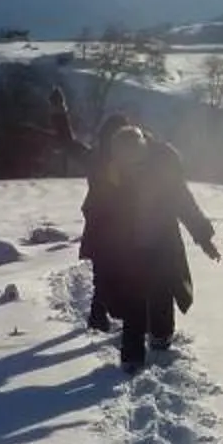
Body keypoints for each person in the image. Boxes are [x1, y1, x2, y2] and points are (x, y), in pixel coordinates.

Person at [112, 129, 218, 373]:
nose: (131, 163)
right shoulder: (117, 170)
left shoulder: (164, 165)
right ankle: (132, 357)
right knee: (133, 299)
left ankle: (160, 337)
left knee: (162, 289)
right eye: (125, 159)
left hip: (162, 241)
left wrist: (204, 239)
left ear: (142, 148)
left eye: (134, 157)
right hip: (130, 245)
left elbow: (184, 202)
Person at [77, 116, 141, 334]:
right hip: (116, 229)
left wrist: (59, 113)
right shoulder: (124, 161)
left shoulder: (95, 158)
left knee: (103, 274)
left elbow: (67, 143)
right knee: (118, 274)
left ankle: (100, 316)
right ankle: (105, 316)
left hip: (99, 226)